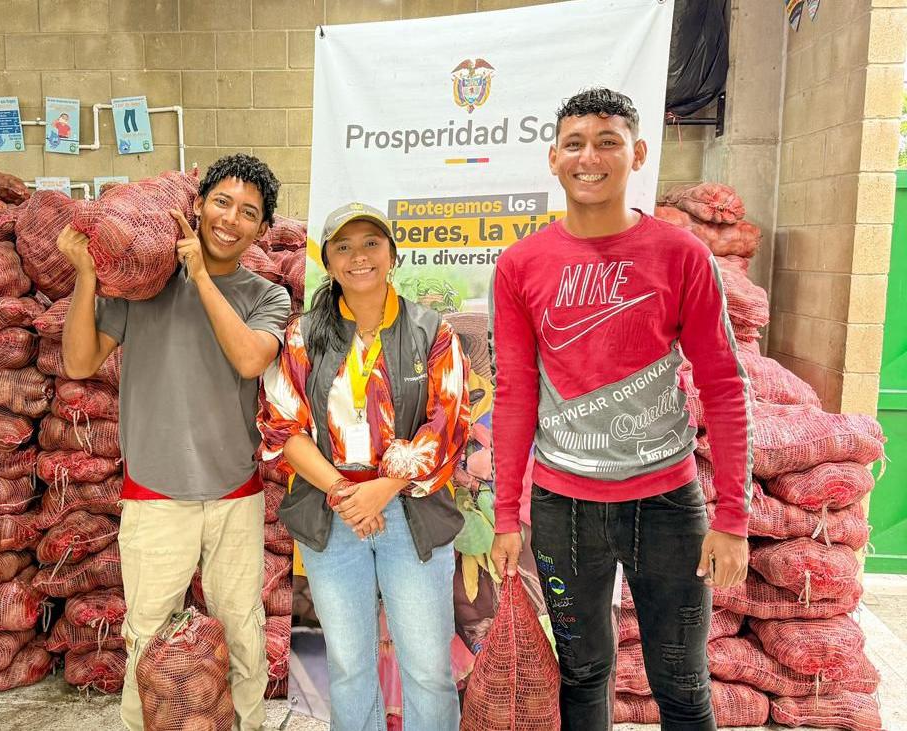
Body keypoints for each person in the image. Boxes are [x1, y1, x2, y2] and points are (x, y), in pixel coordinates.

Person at [488, 87, 751, 731]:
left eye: (608, 141)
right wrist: (504, 512)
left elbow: (723, 383)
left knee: (683, 685)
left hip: (667, 504)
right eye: (575, 143)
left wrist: (733, 516)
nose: (591, 157)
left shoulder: (681, 254)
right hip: (562, 506)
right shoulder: (521, 264)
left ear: (636, 153)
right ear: (553, 159)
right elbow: (515, 391)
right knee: (581, 676)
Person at [58, 154, 291, 731]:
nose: (231, 220)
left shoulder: (268, 298)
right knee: (147, 637)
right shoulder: (142, 288)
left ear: (262, 231)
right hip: (154, 493)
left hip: (234, 492)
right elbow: (79, 361)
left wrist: (203, 280)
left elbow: (247, 357)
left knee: (242, 631)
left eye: (248, 213)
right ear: (197, 204)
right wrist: (87, 275)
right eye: (222, 203)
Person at [258, 202, 470, 731]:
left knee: (427, 668)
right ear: (327, 262)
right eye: (344, 247)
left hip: (411, 516)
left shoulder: (430, 330)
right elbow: (283, 426)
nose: (359, 257)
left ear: (393, 255)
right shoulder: (305, 336)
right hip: (333, 518)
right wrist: (344, 494)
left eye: (371, 243)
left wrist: (381, 490)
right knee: (350, 668)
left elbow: (449, 421)